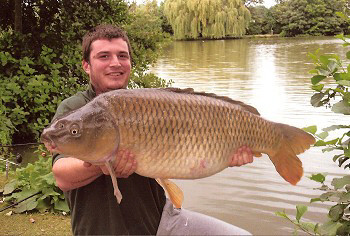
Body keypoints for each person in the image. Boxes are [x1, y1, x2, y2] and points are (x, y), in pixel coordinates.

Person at [51, 24, 254, 235]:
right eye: (104, 56)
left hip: (162, 221)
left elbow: (188, 155)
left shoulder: (145, 103)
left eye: (122, 55)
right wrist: (101, 164)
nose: (115, 63)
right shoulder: (76, 109)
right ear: (86, 65)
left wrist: (225, 152)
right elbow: (61, 175)